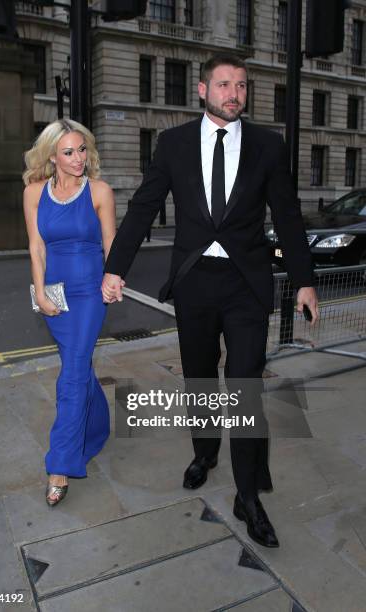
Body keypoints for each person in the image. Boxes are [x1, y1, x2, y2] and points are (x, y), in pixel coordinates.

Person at [102, 53, 319, 547]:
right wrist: (115, 267)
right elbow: (142, 208)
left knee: (244, 387)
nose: (234, 94)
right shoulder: (173, 144)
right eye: (224, 85)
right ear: (202, 90)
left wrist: (304, 280)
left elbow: (288, 217)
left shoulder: (268, 145)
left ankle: (248, 496)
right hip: (195, 282)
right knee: (201, 375)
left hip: (247, 285)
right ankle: (204, 452)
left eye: (241, 86)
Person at [23, 119, 116, 506]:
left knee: (72, 374)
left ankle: (60, 463)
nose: (78, 158)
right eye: (68, 152)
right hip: (55, 295)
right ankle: (97, 429)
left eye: (82, 150)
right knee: (79, 370)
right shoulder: (32, 193)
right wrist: (41, 292)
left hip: (90, 293)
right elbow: (36, 247)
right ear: (52, 157)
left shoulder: (99, 191)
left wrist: (113, 277)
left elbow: (112, 241)